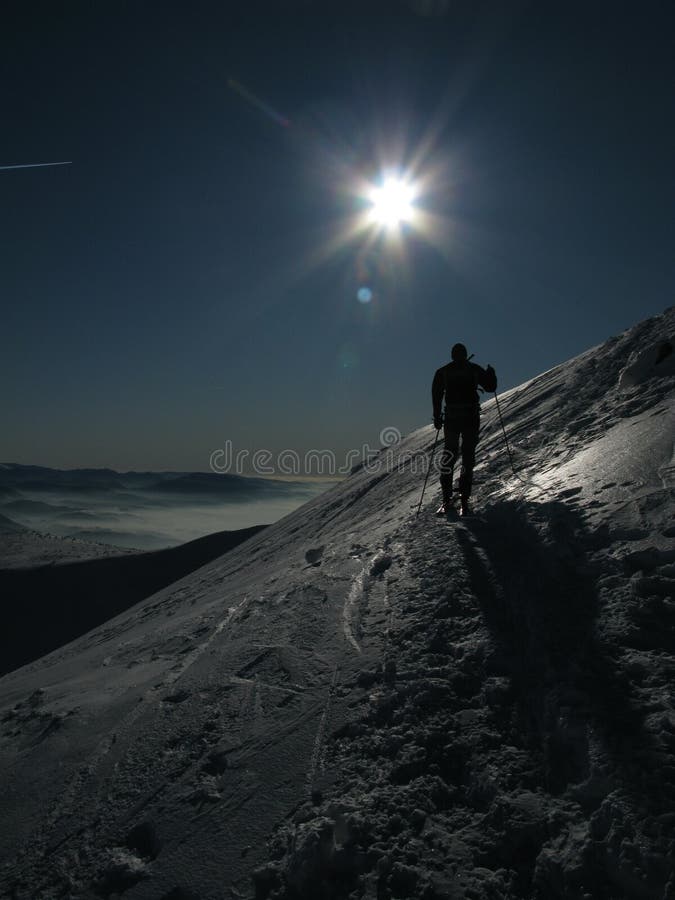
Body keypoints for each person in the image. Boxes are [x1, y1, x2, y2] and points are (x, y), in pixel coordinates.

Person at [432, 343, 497, 516]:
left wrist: (437, 417)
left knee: (449, 454)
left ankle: (446, 498)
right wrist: (491, 374)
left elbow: (436, 395)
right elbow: (491, 387)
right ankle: (464, 497)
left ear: (453, 355)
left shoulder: (443, 371)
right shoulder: (474, 369)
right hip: (470, 418)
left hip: (452, 419)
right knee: (468, 455)